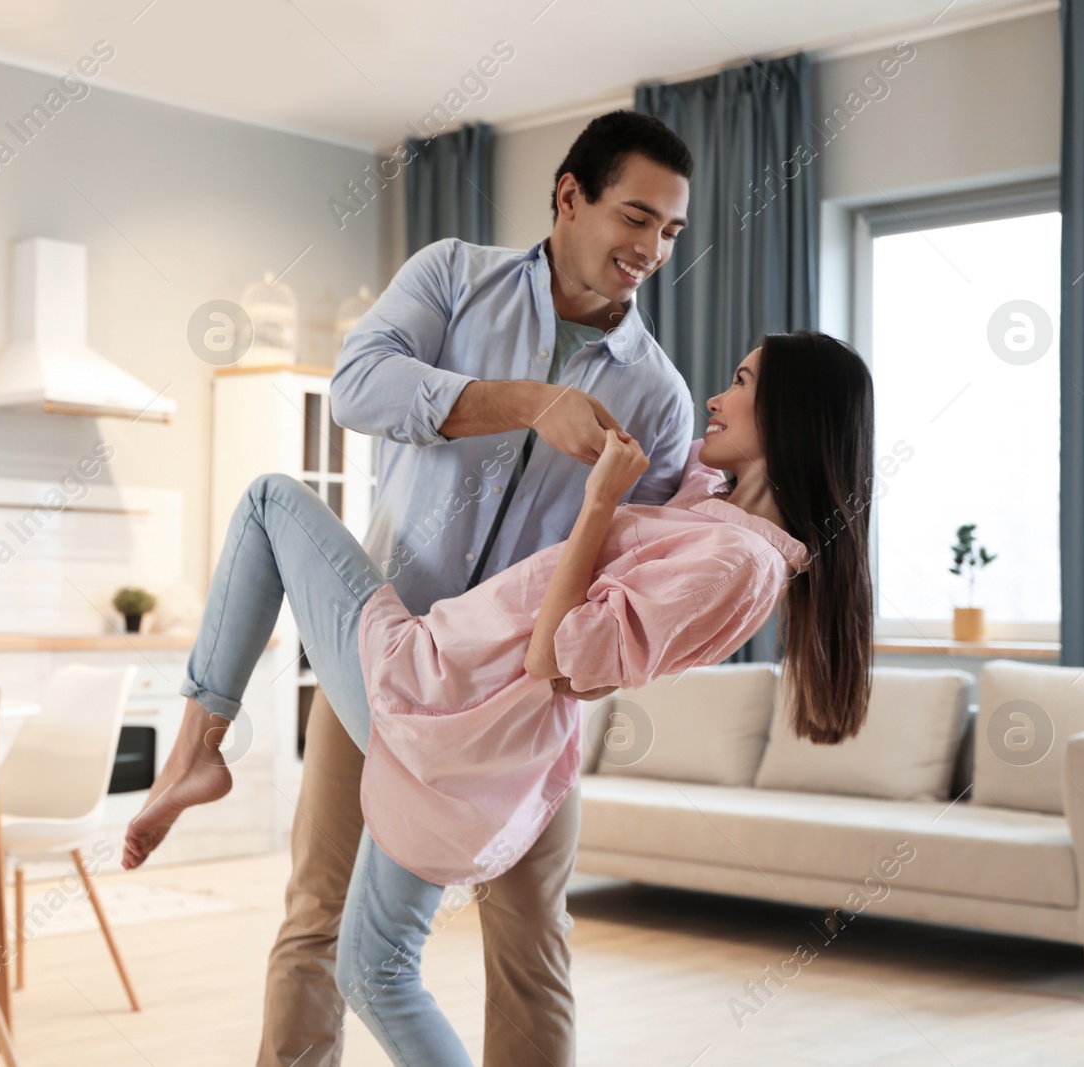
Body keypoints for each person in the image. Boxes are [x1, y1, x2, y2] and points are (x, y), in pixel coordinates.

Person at [122, 330, 878, 1066]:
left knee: (268, 501)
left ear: (792, 412)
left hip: (437, 681)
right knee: (372, 967)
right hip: (465, 701)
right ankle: (200, 750)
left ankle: (198, 746)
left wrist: (598, 501)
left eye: (742, 383)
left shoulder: (738, 562)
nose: (717, 396)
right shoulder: (718, 512)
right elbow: (670, 447)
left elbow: (561, 660)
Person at [262, 108, 699, 1067]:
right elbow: (359, 386)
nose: (650, 249)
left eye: (669, 231)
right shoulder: (453, 275)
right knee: (319, 918)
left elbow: (634, 580)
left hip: (521, 707)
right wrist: (530, 404)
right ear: (569, 196)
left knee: (532, 943)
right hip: (379, 664)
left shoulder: (660, 399)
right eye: (634, 217)